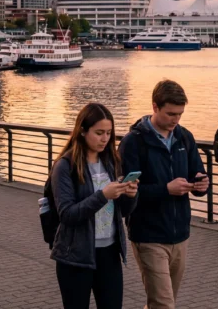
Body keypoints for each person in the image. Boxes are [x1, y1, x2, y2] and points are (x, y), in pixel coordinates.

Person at [118, 80, 207, 309]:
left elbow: (197, 173)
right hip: (148, 234)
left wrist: (202, 185)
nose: (176, 120)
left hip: (180, 234)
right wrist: (166, 189)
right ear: (155, 107)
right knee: (164, 304)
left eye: (180, 114)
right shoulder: (133, 142)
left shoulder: (184, 136)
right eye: (170, 114)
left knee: (164, 302)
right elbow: (126, 192)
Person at [50, 103, 138, 309]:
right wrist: (102, 195)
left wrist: (131, 195)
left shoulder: (112, 161)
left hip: (109, 253)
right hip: (75, 256)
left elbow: (123, 212)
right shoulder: (65, 166)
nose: (105, 139)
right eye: (99, 133)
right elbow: (67, 214)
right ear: (82, 131)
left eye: (109, 133)